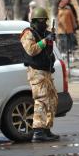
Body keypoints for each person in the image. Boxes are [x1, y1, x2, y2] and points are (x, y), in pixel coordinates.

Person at [20, 7, 60, 142]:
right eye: (42, 22)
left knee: (52, 100)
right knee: (41, 100)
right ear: (35, 21)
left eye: (46, 22)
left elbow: (47, 53)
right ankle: (38, 131)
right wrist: (45, 41)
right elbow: (31, 50)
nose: (45, 25)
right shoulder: (28, 34)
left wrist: (51, 39)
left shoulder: (44, 33)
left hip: (46, 71)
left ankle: (46, 129)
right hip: (36, 72)